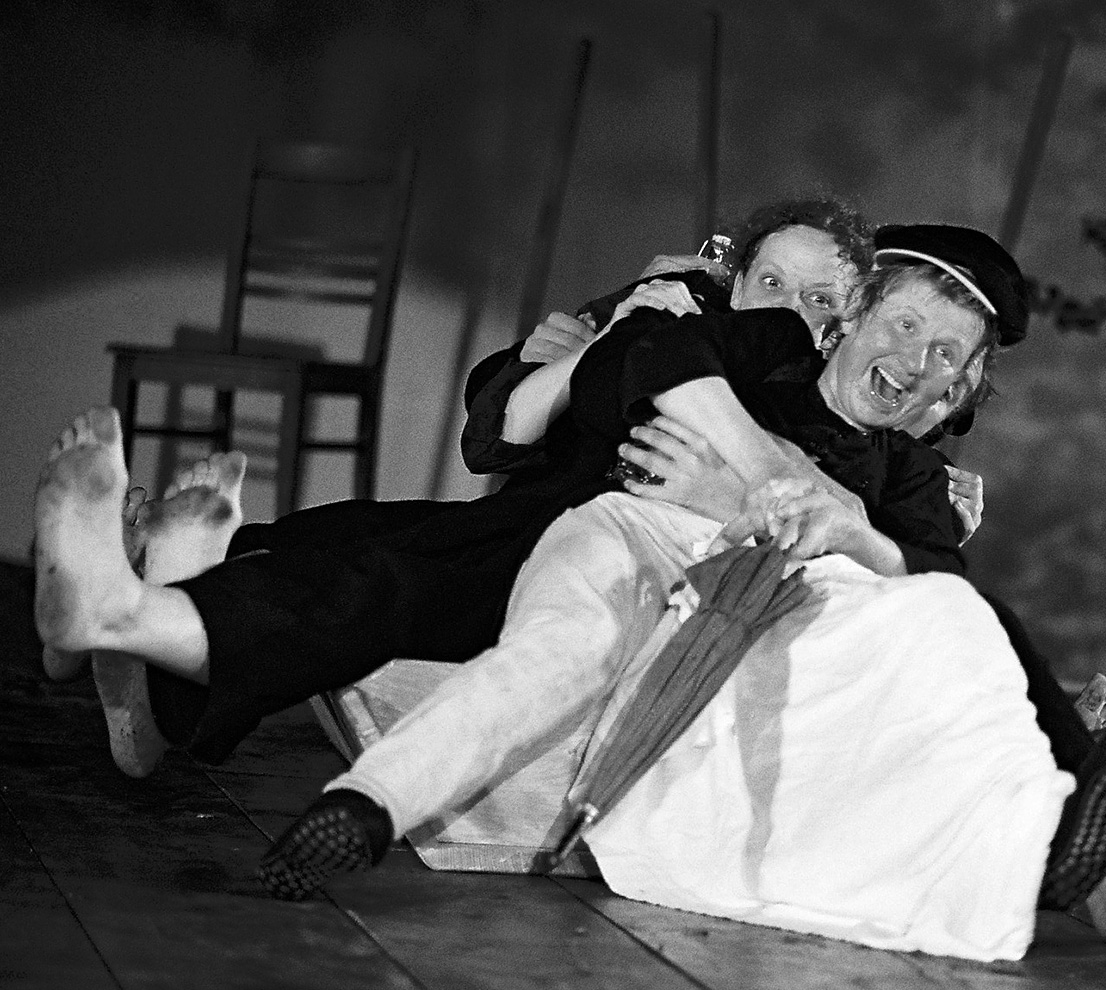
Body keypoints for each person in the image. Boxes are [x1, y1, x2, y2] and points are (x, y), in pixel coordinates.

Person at [240, 225, 1106, 958]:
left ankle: (1090, 855)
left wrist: (847, 524)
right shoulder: (768, 356)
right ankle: (363, 809)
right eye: (905, 327)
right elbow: (653, 359)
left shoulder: (905, 474)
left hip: (769, 628)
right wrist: (748, 469)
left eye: (944, 356)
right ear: (852, 316)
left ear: (954, 388)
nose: (913, 362)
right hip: (638, 547)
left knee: (954, 626)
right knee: (552, 644)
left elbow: (933, 580)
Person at [30, 198, 877, 779]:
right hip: (515, 519)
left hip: (579, 564)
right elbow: (493, 430)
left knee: (376, 585)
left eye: (819, 298)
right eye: (771, 283)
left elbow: (829, 516)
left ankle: (125, 616)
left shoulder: (813, 407)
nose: (789, 309)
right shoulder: (675, 328)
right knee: (339, 533)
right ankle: (133, 672)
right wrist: (611, 333)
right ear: (732, 282)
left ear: (845, 323)